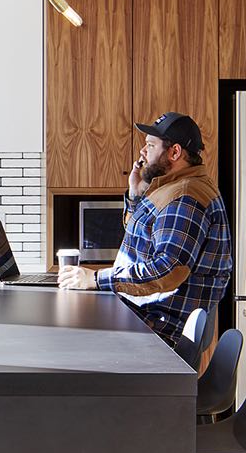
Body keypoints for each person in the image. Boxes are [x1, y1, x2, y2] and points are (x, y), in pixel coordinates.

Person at [60, 112, 232, 355]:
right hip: (143, 318)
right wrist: (136, 193)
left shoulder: (185, 197)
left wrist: (97, 279)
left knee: (65, 341)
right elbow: (142, 236)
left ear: (174, 152)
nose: (142, 151)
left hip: (156, 332)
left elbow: (168, 270)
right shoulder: (172, 188)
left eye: (150, 145)